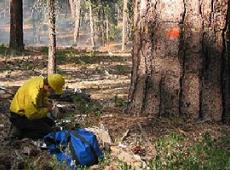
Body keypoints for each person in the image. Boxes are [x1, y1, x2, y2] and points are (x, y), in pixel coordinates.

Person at [9, 74, 65, 139]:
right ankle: (20, 131)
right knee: (47, 132)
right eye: (53, 91)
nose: (53, 92)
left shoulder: (40, 82)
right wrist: (47, 110)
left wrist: (47, 104)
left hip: (29, 113)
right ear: (49, 87)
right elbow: (31, 115)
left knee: (51, 123)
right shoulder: (34, 93)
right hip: (20, 116)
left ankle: (23, 128)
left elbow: (42, 98)